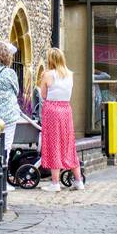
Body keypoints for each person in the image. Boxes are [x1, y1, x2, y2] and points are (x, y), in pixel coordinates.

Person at [37, 47, 83, 192]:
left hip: (52, 110)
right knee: (68, 144)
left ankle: (55, 183)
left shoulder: (47, 74)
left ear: (50, 59)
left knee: (53, 143)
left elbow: (43, 95)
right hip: (66, 109)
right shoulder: (70, 74)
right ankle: (78, 181)